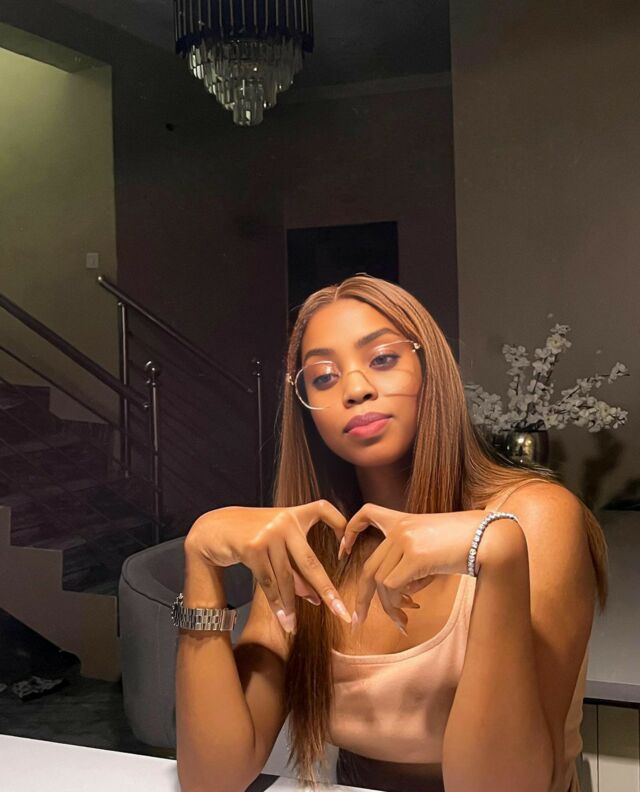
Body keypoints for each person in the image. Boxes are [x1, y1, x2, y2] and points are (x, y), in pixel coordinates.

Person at [175, 274, 607, 792]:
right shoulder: (307, 550)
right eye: (323, 377)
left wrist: (496, 554)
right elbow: (212, 779)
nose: (355, 389)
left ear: (431, 369)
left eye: (382, 359)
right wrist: (201, 558)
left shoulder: (536, 518)